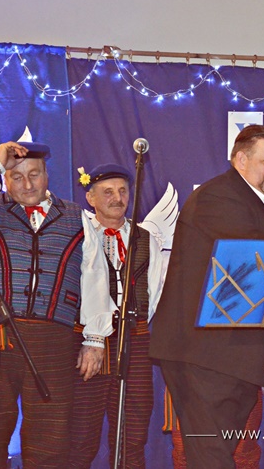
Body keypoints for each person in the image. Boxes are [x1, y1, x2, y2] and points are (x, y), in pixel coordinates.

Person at [0, 141, 113, 468]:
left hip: (53, 340)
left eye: (34, 174)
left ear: (47, 174)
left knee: (51, 436)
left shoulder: (76, 217)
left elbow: (95, 277)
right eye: (16, 177)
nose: (27, 185)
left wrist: (95, 338)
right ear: (4, 179)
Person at [149, 125, 264, 469]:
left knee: (215, 455)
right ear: (240, 160)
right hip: (205, 356)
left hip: (231, 357)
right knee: (210, 457)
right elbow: (255, 263)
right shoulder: (218, 197)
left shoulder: (261, 206)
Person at [68, 164, 169, 469]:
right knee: (80, 433)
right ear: (90, 198)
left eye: (123, 191)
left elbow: (154, 291)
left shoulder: (146, 238)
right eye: (108, 192)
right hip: (86, 341)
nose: (117, 198)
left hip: (135, 341)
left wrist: (133, 325)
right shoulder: (77, 235)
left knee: (133, 431)